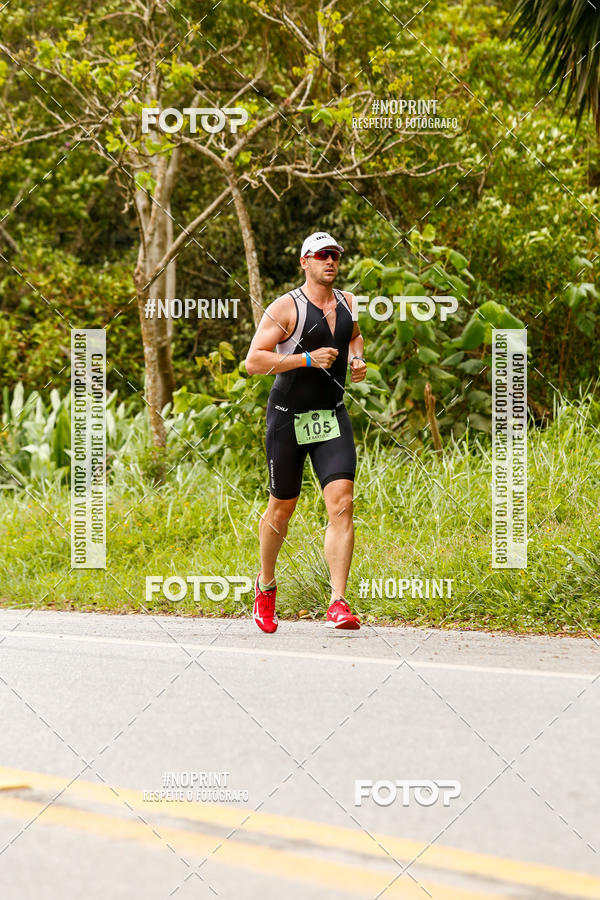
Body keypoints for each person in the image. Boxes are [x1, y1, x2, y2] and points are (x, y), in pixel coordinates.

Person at [245, 231, 367, 633]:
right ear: (305, 262)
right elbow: (254, 362)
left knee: (342, 503)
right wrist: (305, 360)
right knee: (282, 508)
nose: (330, 261)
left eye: (335, 255)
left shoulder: (348, 302)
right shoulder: (286, 308)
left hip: (331, 416)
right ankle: (265, 585)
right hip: (287, 417)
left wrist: (357, 359)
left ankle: (338, 602)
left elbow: (353, 336)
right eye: (321, 255)